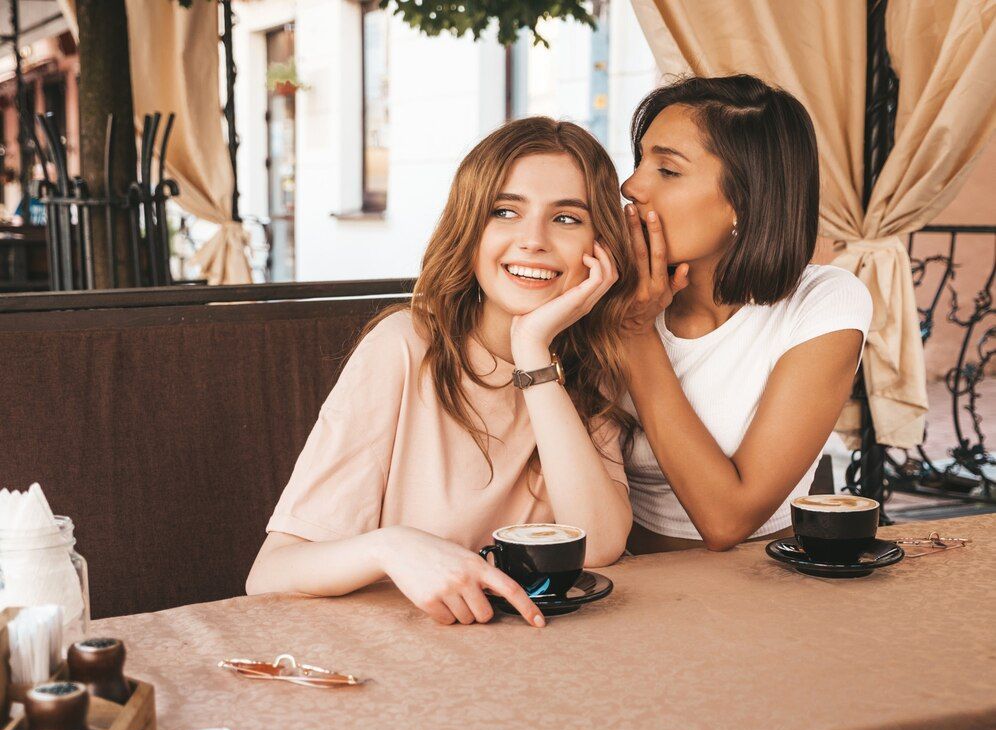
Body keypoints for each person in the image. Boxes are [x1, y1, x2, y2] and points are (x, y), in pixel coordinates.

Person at [247, 117, 637, 626]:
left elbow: (600, 544)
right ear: (469, 228)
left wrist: (533, 350)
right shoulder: (403, 348)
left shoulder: (585, 367)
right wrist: (389, 548)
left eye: (566, 218)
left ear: (599, 246)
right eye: (505, 211)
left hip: (543, 664)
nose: (533, 240)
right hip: (411, 663)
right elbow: (269, 574)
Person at [618, 74, 873, 554]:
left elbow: (728, 520)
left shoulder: (824, 303)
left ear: (745, 199)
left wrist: (634, 333)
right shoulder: (603, 292)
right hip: (623, 586)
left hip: (763, 589)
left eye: (667, 170)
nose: (631, 185)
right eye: (639, 161)